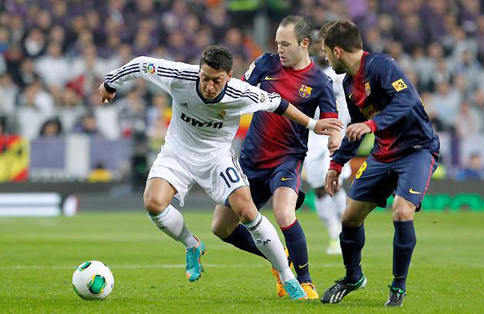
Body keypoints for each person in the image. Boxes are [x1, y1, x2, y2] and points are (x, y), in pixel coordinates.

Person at [98, 45, 343, 300]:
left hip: (217, 158)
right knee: (153, 203)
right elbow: (140, 63)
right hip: (177, 153)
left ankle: (287, 276)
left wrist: (313, 124)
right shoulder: (180, 75)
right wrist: (110, 83)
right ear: (199, 72)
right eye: (205, 78)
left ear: (229, 76)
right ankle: (192, 245)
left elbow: (280, 104)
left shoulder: (243, 92)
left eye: (217, 80)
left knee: (248, 212)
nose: (209, 86)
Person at [210, 16, 342, 299]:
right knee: (221, 228)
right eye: (277, 43)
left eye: (286, 44)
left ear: (304, 44)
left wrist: (334, 137)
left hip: (287, 159)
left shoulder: (319, 81)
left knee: (284, 214)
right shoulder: (265, 64)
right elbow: (239, 91)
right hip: (251, 160)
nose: (279, 49)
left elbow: (330, 119)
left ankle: (305, 282)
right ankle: (279, 257)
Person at [318, 21, 439, 307]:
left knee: (401, 212)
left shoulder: (381, 65)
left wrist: (373, 124)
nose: (325, 58)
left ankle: (398, 287)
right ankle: (352, 277)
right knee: (349, 218)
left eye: (325, 52)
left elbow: (407, 98)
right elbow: (357, 127)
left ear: (337, 50)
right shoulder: (349, 84)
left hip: (416, 149)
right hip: (383, 154)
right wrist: (336, 164)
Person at [305, 30, 352, 255]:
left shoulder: (343, 72)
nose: (319, 47)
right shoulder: (309, 73)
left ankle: (345, 233)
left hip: (339, 134)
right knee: (319, 188)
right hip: (313, 136)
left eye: (322, 43)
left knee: (337, 183)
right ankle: (334, 234)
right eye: (316, 44)